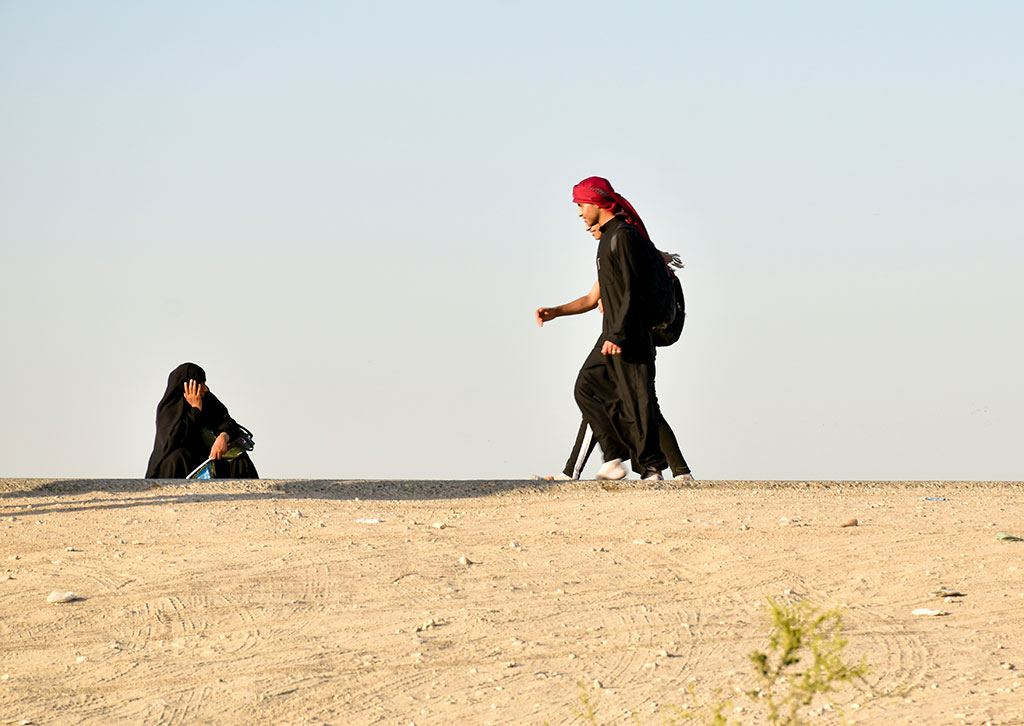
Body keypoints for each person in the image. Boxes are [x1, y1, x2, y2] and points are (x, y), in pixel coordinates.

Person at [537, 222, 693, 481]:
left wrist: (616, 325)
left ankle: (608, 462)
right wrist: (556, 311)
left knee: (594, 389)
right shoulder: (611, 253)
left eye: (588, 214)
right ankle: (676, 471)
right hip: (622, 334)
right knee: (633, 401)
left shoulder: (622, 247)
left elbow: (630, 292)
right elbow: (590, 298)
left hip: (623, 336)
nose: (587, 225)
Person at [565, 176, 680, 480]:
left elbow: (630, 288)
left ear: (596, 202)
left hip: (630, 333)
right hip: (616, 332)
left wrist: (617, 334)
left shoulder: (622, 235)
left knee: (638, 400)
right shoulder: (609, 237)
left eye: (580, 204)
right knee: (588, 387)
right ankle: (614, 456)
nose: (579, 213)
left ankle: (653, 469)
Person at [145, 362, 259, 479]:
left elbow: (227, 422)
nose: (205, 389)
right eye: (201, 385)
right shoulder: (168, 409)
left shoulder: (208, 400)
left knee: (239, 459)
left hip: (207, 458)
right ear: (188, 387)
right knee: (177, 458)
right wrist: (196, 410)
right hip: (182, 463)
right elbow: (173, 440)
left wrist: (223, 437)